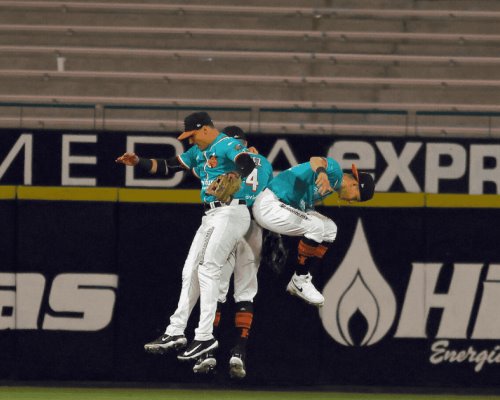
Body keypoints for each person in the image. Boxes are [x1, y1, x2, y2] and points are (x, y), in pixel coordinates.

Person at [115, 112, 256, 360]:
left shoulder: (225, 144)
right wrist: (139, 161)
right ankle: (176, 331)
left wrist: (235, 174)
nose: (190, 141)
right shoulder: (197, 153)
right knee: (189, 271)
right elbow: (168, 165)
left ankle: (204, 337)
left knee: (208, 269)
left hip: (231, 211)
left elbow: (247, 161)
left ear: (204, 130)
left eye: (192, 136)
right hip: (211, 215)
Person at [192, 126, 274, 379]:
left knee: (215, 290)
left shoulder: (215, 158)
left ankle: (207, 353)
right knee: (246, 292)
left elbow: (199, 170)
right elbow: (271, 199)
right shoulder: (265, 164)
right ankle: (239, 351)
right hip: (253, 226)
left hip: (226, 221)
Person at [252, 157, 375, 307]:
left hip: (280, 207)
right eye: (355, 198)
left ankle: (302, 276)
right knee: (316, 226)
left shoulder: (330, 188)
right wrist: (322, 174)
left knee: (330, 229)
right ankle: (300, 278)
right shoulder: (335, 172)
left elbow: (302, 205)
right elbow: (315, 160)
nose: (350, 201)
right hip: (269, 204)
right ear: (355, 184)